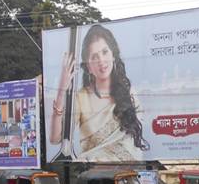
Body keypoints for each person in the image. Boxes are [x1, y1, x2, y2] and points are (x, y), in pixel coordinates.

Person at [49, 25, 150, 162]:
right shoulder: (81, 98)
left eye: (104, 52)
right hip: (95, 178)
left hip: (129, 174)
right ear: (88, 66)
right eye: (94, 57)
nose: (101, 60)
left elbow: (134, 146)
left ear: (113, 55)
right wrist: (61, 92)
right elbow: (55, 139)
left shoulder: (129, 93)